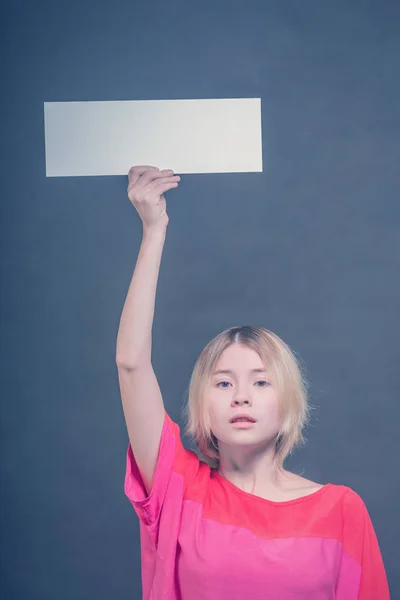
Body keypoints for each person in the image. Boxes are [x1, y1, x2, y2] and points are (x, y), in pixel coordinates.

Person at [116, 166, 390, 600]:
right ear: (202, 406)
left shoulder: (341, 510)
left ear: (288, 402)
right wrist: (154, 229)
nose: (241, 395)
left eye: (261, 383)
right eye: (223, 384)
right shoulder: (178, 487)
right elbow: (131, 364)